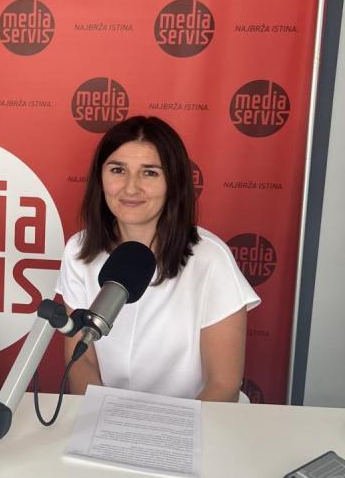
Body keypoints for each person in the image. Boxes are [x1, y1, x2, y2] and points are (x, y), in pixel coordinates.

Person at [56, 115, 259, 401]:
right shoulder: (79, 251)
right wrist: (100, 419)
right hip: (110, 418)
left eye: (149, 173)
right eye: (117, 170)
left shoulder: (211, 258)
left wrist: (166, 429)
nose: (130, 188)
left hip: (194, 418)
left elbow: (223, 385)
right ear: (100, 178)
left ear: (172, 182)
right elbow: (82, 360)